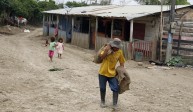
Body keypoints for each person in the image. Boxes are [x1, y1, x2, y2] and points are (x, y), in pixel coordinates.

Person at [98, 38, 126, 109]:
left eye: (118, 47)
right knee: (102, 88)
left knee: (116, 88)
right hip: (102, 72)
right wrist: (106, 50)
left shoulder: (119, 52)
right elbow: (101, 57)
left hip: (112, 73)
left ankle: (114, 104)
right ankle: (102, 101)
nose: (117, 48)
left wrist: (121, 70)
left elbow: (122, 62)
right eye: (116, 47)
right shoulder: (106, 49)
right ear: (113, 46)